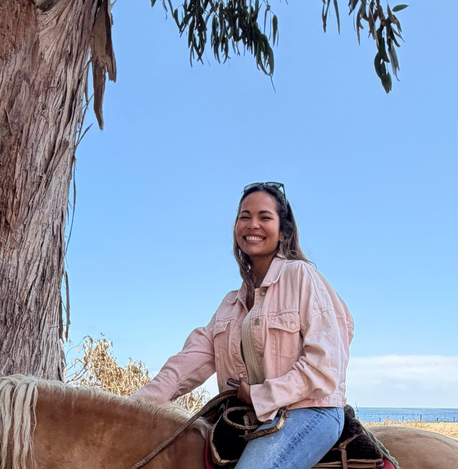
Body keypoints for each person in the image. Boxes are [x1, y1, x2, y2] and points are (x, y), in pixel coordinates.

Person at [132, 182, 354, 469]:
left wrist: (262, 395)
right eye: (244, 216)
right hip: (254, 413)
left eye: (265, 217)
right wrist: (132, 405)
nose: (253, 224)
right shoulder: (230, 304)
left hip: (311, 410)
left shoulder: (301, 277)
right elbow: (187, 365)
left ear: (283, 231)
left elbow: (326, 367)